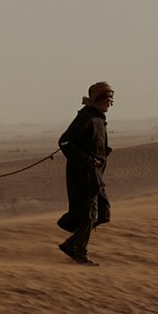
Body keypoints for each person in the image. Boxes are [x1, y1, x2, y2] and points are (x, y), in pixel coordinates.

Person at [56, 81, 114, 264]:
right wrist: (87, 160)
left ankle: (71, 244)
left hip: (95, 176)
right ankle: (80, 252)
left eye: (111, 98)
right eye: (107, 98)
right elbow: (65, 142)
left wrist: (102, 151)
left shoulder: (98, 118)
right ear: (98, 99)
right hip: (82, 176)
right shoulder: (86, 118)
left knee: (102, 212)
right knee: (90, 214)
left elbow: (90, 143)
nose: (110, 102)